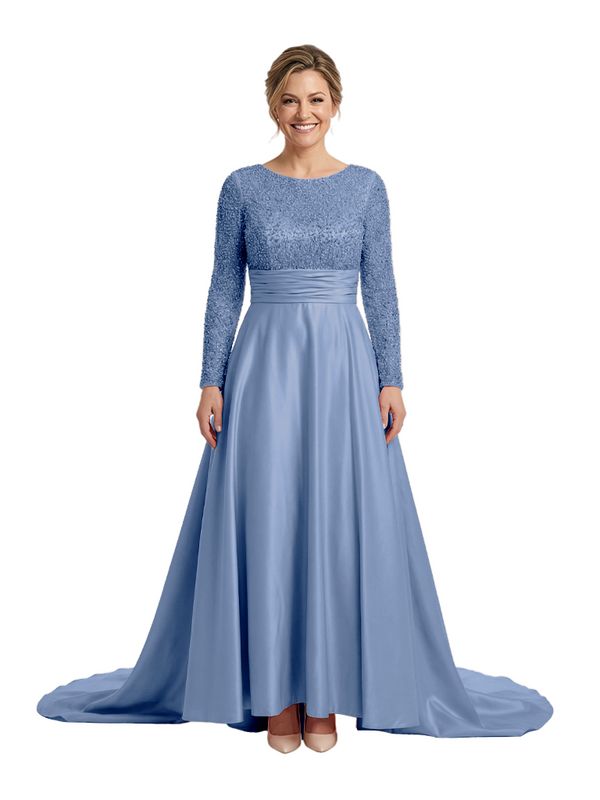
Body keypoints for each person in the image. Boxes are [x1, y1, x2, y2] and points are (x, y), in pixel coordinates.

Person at [37, 44, 554, 754]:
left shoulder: (367, 186)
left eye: (315, 99)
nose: (303, 112)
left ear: (335, 105)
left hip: (343, 366)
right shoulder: (242, 186)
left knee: (338, 523)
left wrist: (392, 377)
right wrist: (210, 378)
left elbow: (382, 286)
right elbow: (224, 285)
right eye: (289, 99)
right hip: (265, 366)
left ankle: (325, 696)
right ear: (272, 107)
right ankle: (276, 697)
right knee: (269, 517)